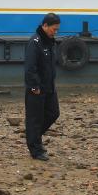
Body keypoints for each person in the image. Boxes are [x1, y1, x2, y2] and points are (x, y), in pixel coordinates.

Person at [24, 13, 61, 161]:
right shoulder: (35, 42)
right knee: (35, 119)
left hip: (49, 87)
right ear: (45, 26)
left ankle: (34, 136)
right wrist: (34, 86)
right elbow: (30, 67)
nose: (55, 32)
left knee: (54, 113)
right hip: (37, 89)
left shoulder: (50, 42)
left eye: (57, 29)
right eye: (54, 29)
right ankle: (36, 150)